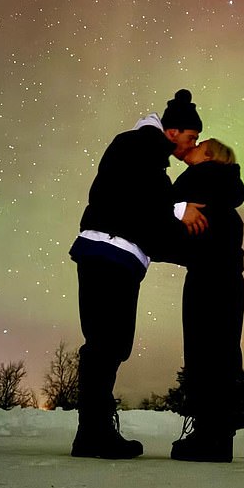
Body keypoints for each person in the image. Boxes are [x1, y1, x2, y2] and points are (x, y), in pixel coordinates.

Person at [68, 89, 207, 459]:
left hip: (114, 254)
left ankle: (92, 432)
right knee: (105, 343)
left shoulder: (147, 155)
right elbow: (143, 202)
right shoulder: (140, 146)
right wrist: (180, 210)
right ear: (173, 131)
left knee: (108, 343)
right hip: (110, 252)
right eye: (191, 138)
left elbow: (144, 214)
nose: (189, 147)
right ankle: (93, 434)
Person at [169, 139, 244, 462]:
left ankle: (204, 436)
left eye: (202, 145)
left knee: (201, 351)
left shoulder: (197, 180)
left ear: (211, 157)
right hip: (231, 280)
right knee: (226, 352)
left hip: (205, 277)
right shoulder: (229, 194)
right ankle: (220, 437)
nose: (195, 146)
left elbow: (163, 202)